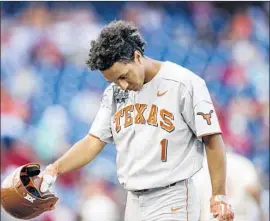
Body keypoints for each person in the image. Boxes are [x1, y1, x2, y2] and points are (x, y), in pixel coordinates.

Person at [39, 20, 234, 221]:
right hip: (133, 200)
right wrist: (54, 169)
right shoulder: (114, 94)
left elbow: (211, 138)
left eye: (124, 76)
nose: (121, 85)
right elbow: (92, 141)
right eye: (114, 81)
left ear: (137, 56)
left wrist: (218, 194)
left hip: (172, 197)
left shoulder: (184, 83)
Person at [194, 150, 264, 221]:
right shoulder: (242, 162)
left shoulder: (203, 164)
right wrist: (262, 213)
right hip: (239, 216)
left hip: (213, 216)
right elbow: (253, 189)